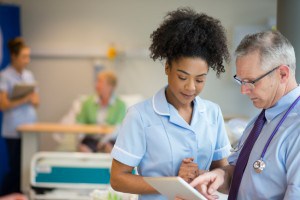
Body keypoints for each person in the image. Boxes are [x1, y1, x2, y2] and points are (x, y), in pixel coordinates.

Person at [110, 7, 231, 200]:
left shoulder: (212, 113)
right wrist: (174, 183)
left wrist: (204, 179)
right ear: (167, 67)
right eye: (183, 77)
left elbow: (222, 171)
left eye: (200, 80)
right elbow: (118, 179)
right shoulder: (140, 116)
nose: (191, 87)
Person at [190, 30, 300, 200]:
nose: (243, 90)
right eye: (240, 81)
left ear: (283, 74)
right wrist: (220, 176)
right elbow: (241, 176)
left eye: (251, 81)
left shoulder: (296, 128)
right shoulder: (259, 121)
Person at [0, 38, 39, 195]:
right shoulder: (5, 76)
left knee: (27, 168)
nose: (27, 61)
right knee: (16, 168)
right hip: (14, 130)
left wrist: (31, 99)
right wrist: (24, 98)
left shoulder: (29, 75)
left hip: (30, 127)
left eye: (28, 56)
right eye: (24, 57)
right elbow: (3, 104)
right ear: (14, 56)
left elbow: (36, 101)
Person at [77, 69, 126, 153]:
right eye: (97, 82)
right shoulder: (87, 103)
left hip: (110, 139)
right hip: (91, 139)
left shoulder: (120, 105)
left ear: (111, 86)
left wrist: (103, 141)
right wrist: (80, 141)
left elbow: (118, 128)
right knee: (84, 148)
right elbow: (80, 124)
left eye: (101, 82)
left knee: (113, 149)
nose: (97, 85)